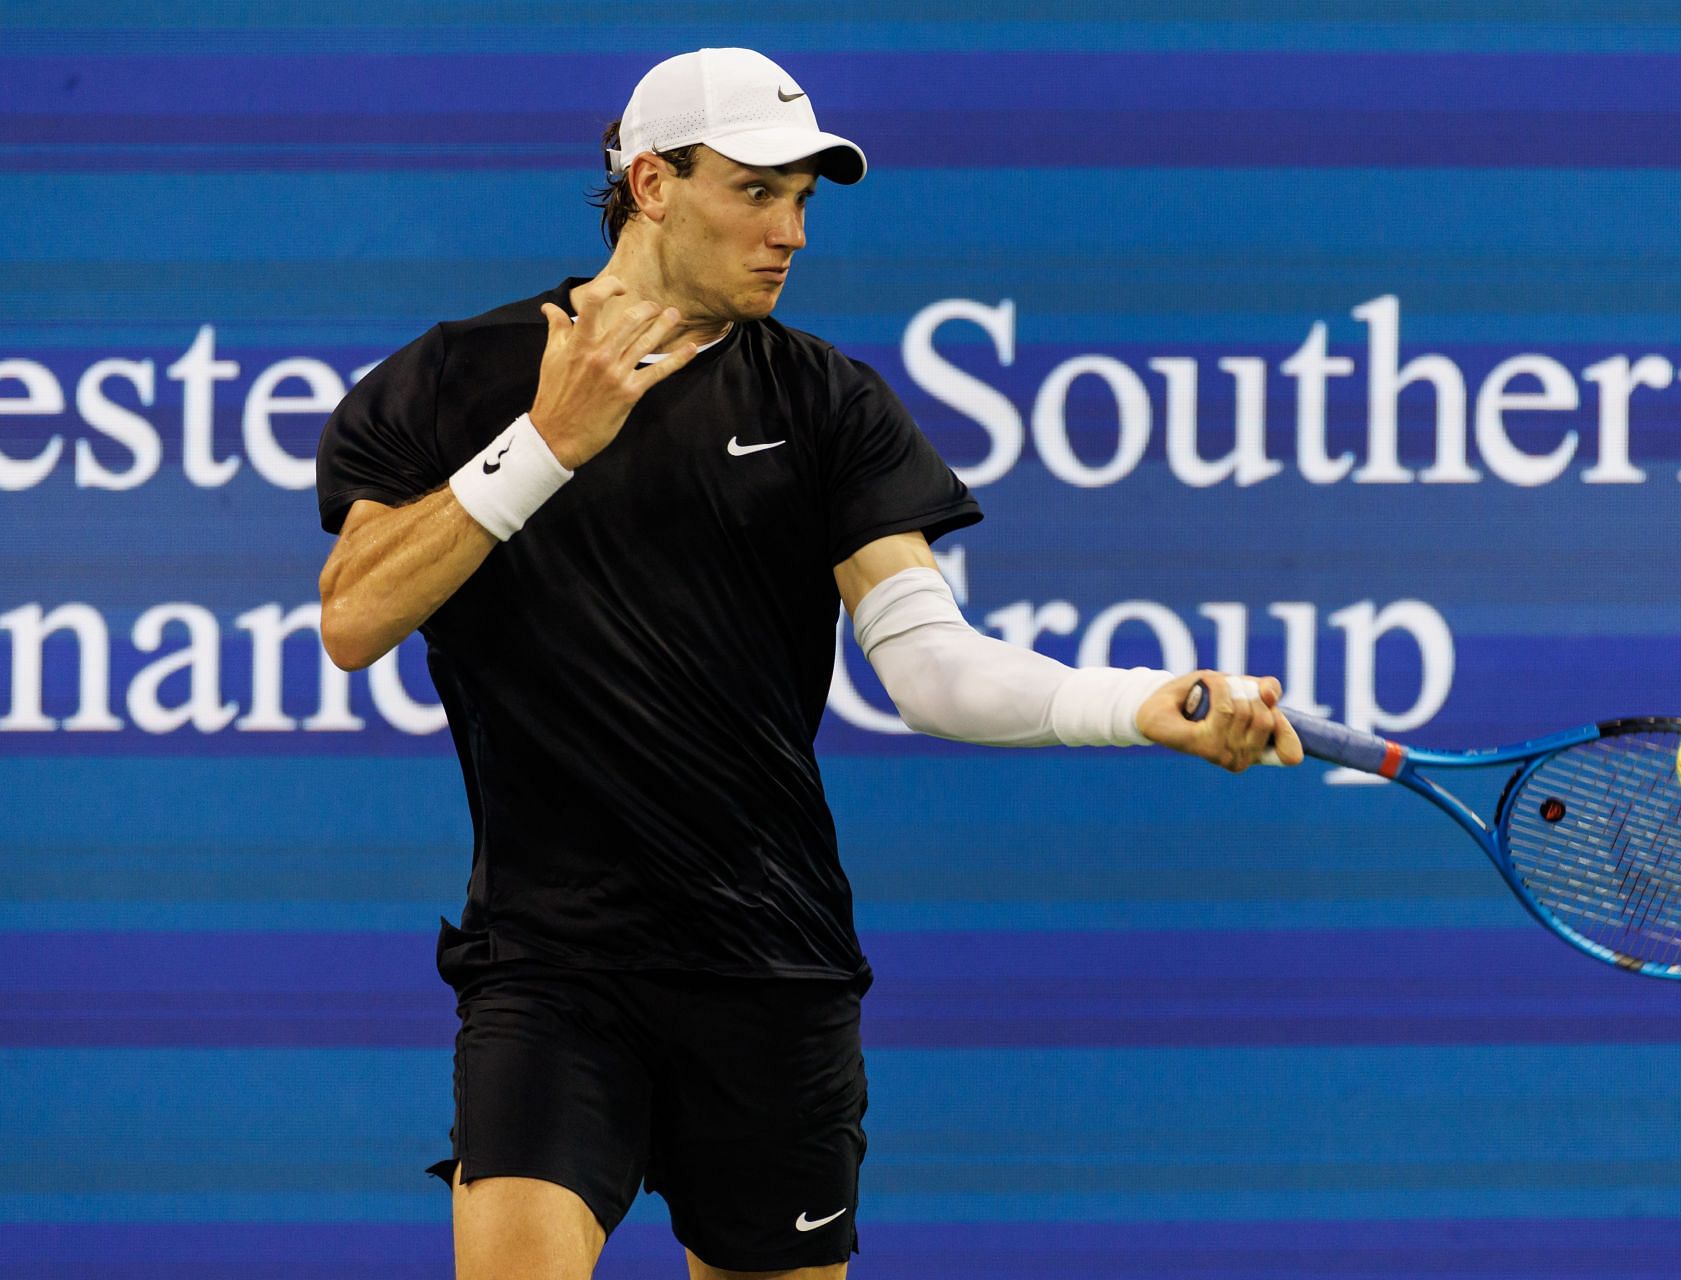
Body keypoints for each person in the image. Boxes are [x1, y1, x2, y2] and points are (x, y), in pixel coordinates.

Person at [315, 46, 1302, 1280]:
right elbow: (353, 619)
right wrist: (546, 443)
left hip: (771, 972)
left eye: (804, 200)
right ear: (651, 182)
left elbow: (930, 667)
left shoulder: (828, 400)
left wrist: (1134, 704)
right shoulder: (455, 380)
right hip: (550, 967)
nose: (789, 231)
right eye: (755, 190)